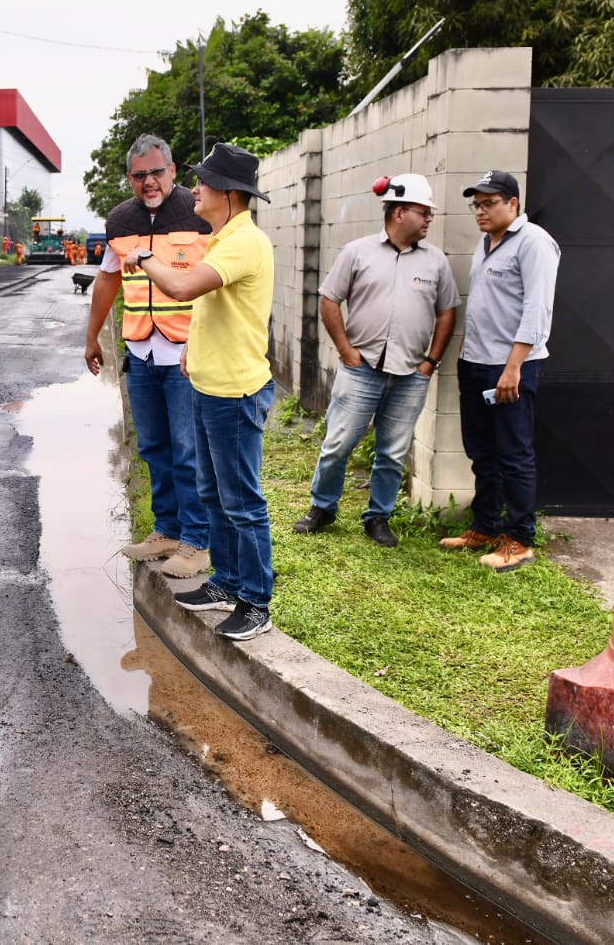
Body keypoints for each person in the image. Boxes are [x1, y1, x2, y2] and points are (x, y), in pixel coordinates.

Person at [122, 143, 276, 640]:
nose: (196, 190)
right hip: (210, 383)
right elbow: (215, 305)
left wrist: (144, 259)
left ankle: (254, 602)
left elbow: (185, 290)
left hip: (234, 393)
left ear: (229, 194)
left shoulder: (243, 242)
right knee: (212, 492)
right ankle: (226, 583)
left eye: (204, 184)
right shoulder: (225, 234)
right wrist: (193, 351)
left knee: (241, 502)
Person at [293, 173, 459, 547]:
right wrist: (345, 350)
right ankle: (323, 508)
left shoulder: (436, 262)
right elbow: (329, 300)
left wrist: (431, 361)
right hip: (361, 369)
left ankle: (378, 518)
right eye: (423, 212)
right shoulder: (358, 252)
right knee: (338, 444)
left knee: (393, 451)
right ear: (399, 212)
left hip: (411, 374)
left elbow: (447, 311)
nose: (429, 218)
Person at [85, 135, 214, 579]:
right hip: (140, 351)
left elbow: (220, 282)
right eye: (140, 175)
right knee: (155, 447)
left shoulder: (199, 215)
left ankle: (198, 541)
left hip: (185, 354)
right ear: (129, 178)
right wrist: (93, 338)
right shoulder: (121, 220)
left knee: (188, 449)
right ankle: (167, 530)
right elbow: (107, 281)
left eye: (157, 172)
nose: (149, 182)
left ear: (173, 171)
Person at [439, 170, 560, 571]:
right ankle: (486, 527)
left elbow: (537, 310)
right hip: (476, 362)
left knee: (514, 455)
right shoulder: (487, 243)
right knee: (482, 453)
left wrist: (514, 369)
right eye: (476, 204)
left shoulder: (534, 243)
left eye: (489, 203)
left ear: (513, 203)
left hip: (510, 368)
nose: (481, 211)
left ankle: (520, 540)